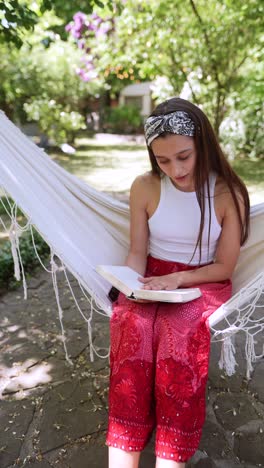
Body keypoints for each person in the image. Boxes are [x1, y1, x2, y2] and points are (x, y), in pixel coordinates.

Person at [106, 97, 250, 468]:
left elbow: (224, 267)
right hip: (153, 277)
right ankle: (125, 447)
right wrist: (130, 284)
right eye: (163, 160)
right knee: (131, 330)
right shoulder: (145, 187)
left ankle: (171, 454)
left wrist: (178, 278)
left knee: (178, 341)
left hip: (202, 281)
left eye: (184, 156)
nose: (175, 169)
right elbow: (137, 251)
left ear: (203, 144)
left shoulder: (226, 194)